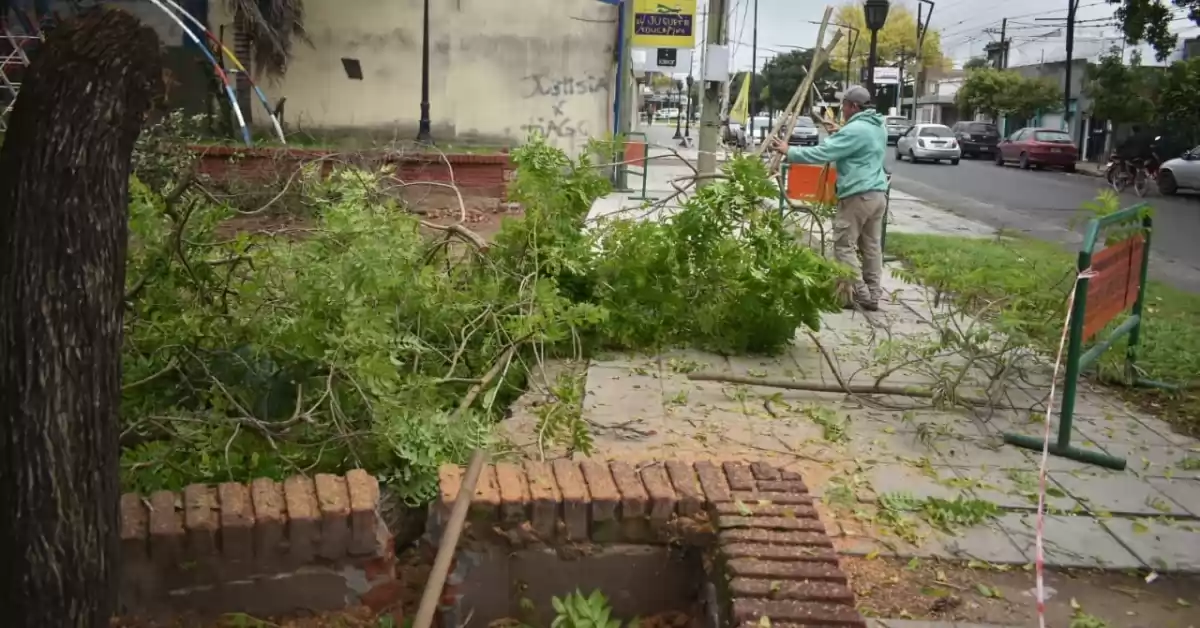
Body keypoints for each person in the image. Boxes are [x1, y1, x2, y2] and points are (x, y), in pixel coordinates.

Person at [771, 85, 888, 311]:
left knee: (844, 246)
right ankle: (873, 294)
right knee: (871, 247)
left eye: (844, 105)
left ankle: (861, 295)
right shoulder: (877, 126)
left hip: (857, 196)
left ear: (854, 106)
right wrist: (840, 132)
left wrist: (790, 151)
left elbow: (822, 153)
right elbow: (858, 145)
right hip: (877, 195)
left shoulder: (855, 131)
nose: (841, 109)